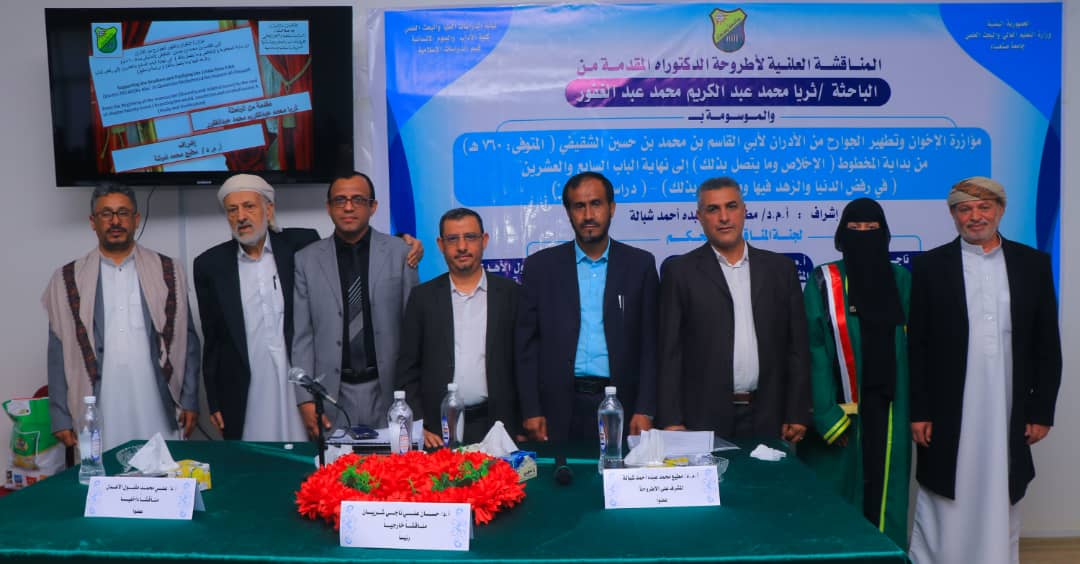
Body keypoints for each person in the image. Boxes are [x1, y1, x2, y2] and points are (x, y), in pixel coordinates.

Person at [908, 177, 1061, 564]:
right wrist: (920, 411)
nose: (975, 216)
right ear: (953, 215)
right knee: (946, 489)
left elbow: (1047, 345)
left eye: (983, 207)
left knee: (1002, 485)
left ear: (1000, 210)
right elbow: (917, 347)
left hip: (1008, 405)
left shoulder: (1033, 264)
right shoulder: (930, 267)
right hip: (948, 408)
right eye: (965, 209)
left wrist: (1041, 411)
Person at [43, 183, 200, 452]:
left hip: (158, 402)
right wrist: (60, 416)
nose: (115, 221)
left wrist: (190, 399)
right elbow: (57, 351)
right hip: (99, 407)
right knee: (104, 471)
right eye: (106, 214)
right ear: (93, 222)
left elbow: (188, 341)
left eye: (123, 213)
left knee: (163, 469)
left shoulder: (168, 270)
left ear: (136, 219)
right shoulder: (68, 278)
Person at [657, 176, 809, 441]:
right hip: (702, 417)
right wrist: (671, 419)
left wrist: (797, 411)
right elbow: (669, 352)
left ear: (744, 211)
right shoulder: (680, 272)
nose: (724, 217)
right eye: (713, 209)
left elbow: (797, 347)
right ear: (699, 217)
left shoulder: (780, 270)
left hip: (770, 416)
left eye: (731, 206)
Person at [798, 198, 911, 548]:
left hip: (890, 410)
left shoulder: (901, 280)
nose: (863, 235)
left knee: (884, 500)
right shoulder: (823, 280)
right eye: (855, 229)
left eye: (871, 229)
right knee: (832, 506)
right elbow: (812, 349)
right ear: (841, 235)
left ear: (884, 234)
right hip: (839, 414)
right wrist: (826, 415)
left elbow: (916, 347)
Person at [516, 171, 658, 442]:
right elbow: (526, 347)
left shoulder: (640, 265)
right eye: (579, 206)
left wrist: (646, 408)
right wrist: (531, 409)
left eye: (596, 204)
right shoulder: (541, 267)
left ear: (611, 208)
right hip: (557, 407)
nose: (588, 215)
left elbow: (651, 344)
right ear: (568, 212)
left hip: (623, 406)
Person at [292, 171, 419, 437]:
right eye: (340, 200)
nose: (348, 207)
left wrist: (415, 394)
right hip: (331, 395)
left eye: (358, 200)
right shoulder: (306, 260)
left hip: (389, 391)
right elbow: (303, 337)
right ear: (329, 207)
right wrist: (304, 398)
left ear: (373, 206)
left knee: (393, 463)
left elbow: (414, 330)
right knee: (335, 464)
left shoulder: (401, 253)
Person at [193, 174, 319, 441]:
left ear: (268, 209)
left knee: (305, 454)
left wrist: (403, 241)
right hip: (244, 387)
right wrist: (214, 400)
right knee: (253, 455)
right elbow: (212, 340)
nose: (241, 216)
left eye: (249, 206)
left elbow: (342, 251)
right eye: (232, 210)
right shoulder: (210, 265)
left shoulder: (302, 244)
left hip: (297, 383)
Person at [397, 208, 521, 447]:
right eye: (453, 239)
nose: (462, 247)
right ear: (441, 245)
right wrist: (418, 425)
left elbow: (523, 364)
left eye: (470, 237)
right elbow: (407, 369)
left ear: (484, 240)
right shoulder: (422, 298)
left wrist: (522, 422)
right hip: (437, 429)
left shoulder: (511, 294)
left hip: (499, 426)